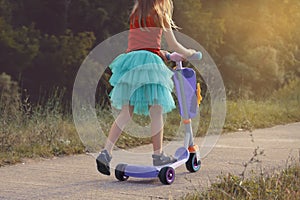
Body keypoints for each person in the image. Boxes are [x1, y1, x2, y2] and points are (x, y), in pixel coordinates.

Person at [96, 0, 196, 176]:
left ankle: (106, 152)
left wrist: (163, 53)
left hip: (131, 62)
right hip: (149, 63)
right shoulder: (160, 15)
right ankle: (158, 155)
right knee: (156, 111)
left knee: (126, 112)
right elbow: (173, 45)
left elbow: (144, 44)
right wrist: (189, 53)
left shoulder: (136, 12)